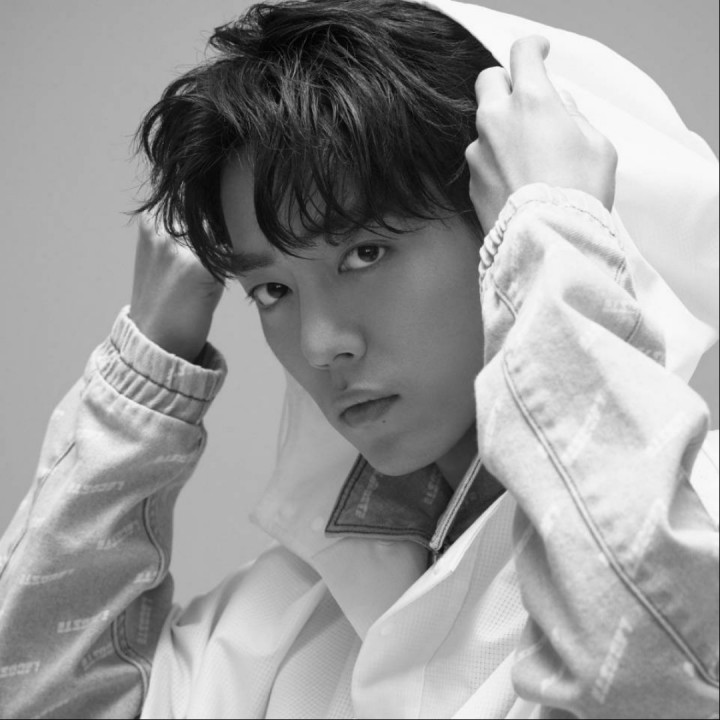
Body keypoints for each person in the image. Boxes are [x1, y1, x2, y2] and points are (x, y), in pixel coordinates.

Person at [0, 0, 718, 717]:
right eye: (273, 289)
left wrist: (553, 235)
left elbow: (651, 677)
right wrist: (145, 372)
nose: (319, 344)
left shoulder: (699, 522)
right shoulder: (280, 620)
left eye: (366, 253)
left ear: (501, 220)